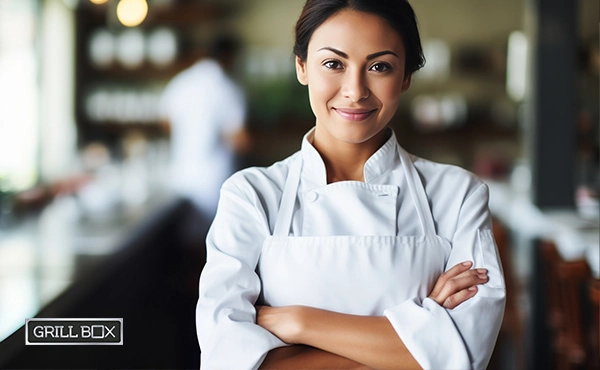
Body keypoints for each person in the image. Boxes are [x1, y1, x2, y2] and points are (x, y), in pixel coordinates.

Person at [196, 1, 506, 369]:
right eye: (333, 64)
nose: (355, 90)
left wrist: (298, 322)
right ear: (302, 66)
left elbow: (465, 355)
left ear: (405, 76)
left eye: (380, 66)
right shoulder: (251, 196)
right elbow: (225, 358)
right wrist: (419, 342)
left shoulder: (457, 195)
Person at [159, 34, 250, 222]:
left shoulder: (181, 82)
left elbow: (166, 123)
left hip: (181, 174)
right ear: (228, 56)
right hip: (213, 179)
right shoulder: (228, 89)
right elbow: (240, 140)